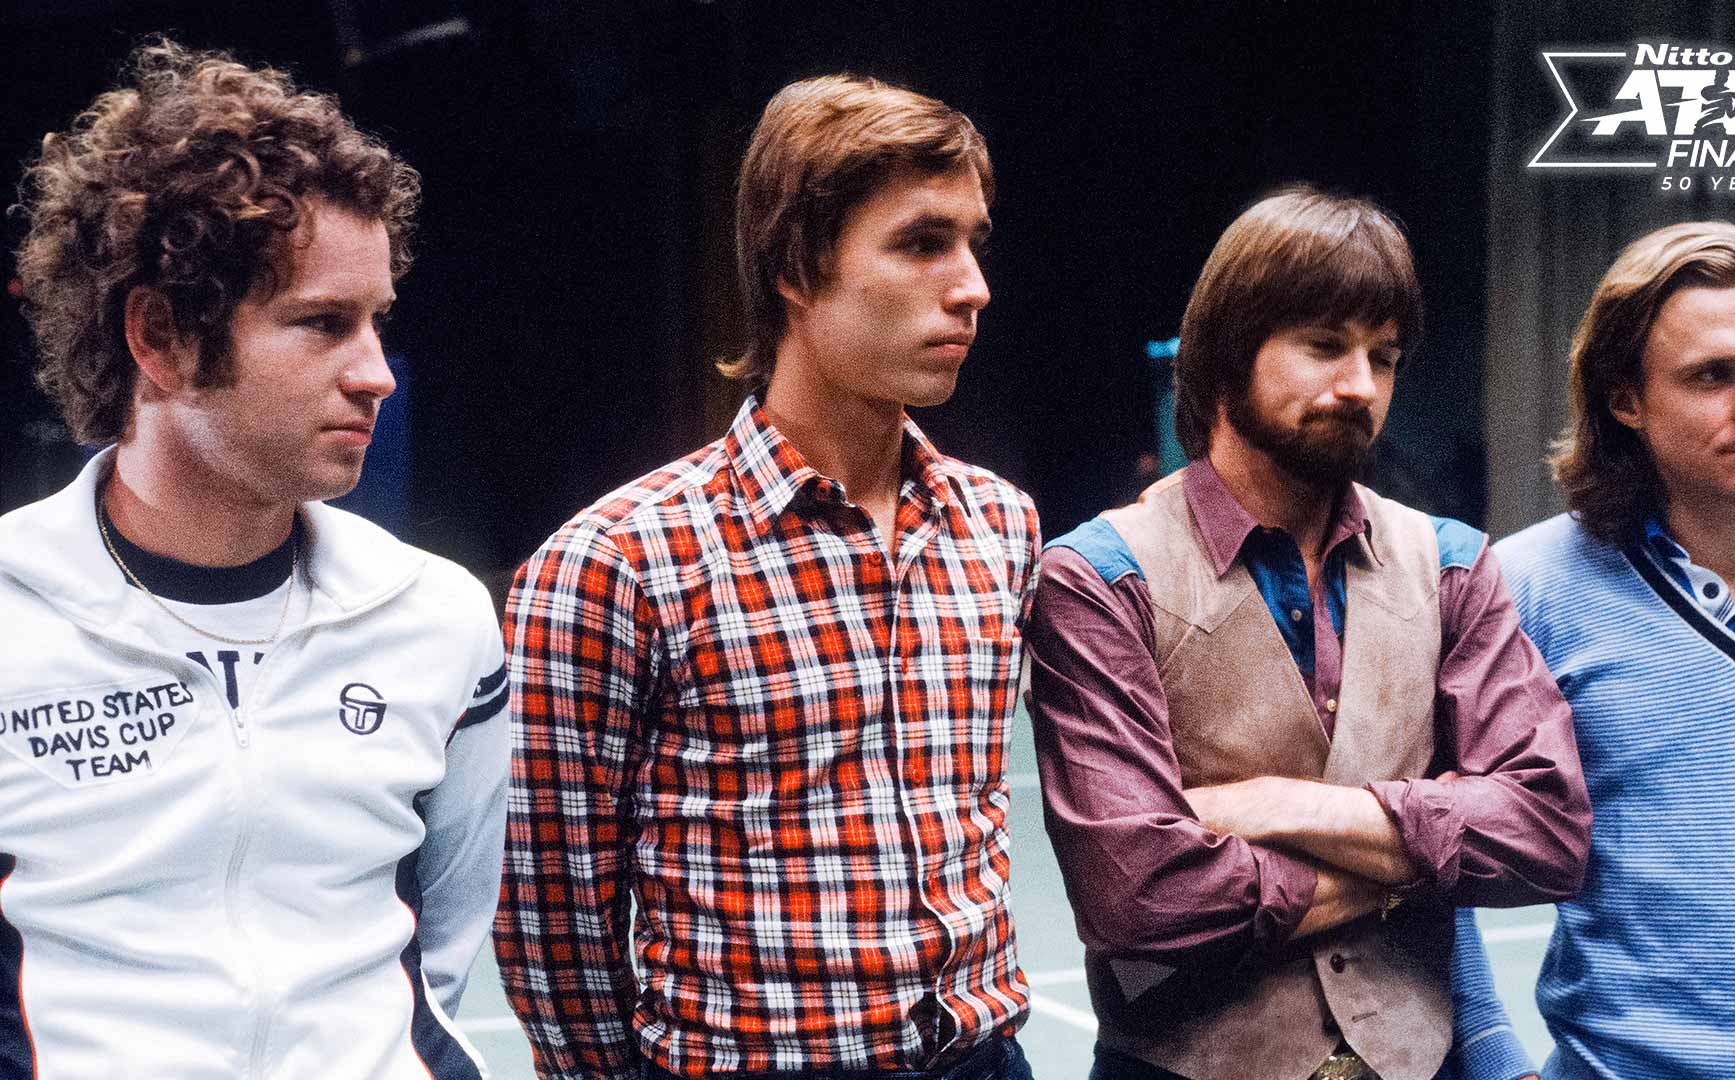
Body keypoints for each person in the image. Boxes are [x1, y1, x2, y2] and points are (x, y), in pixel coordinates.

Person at [496, 75, 1038, 1080]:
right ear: (797, 265)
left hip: (983, 1058)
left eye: (973, 243)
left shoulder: (1000, 526)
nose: (971, 286)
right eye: (922, 243)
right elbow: (552, 921)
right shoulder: (618, 562)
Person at [0, 39, 506, 1078]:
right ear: (161, 338)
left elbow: (442, 970)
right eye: (323, 324)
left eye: (377, 323)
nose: (377, 375)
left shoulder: (438, 621)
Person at [1026, 186, 1590, 1080]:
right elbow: (1140, 898)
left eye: (1384, 355)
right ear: (1222, 362)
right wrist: (1414, 870)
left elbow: (1546, 831)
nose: (1360, 385)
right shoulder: (1097, 577)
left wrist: (1274, 807)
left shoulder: (1449, 563)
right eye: (1324, 346)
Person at [1451, 221, 1735, 1079]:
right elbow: (1426, 869)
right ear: (1624, 398)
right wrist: (1491, 1058)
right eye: (1712, 375)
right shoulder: (1523, 590)